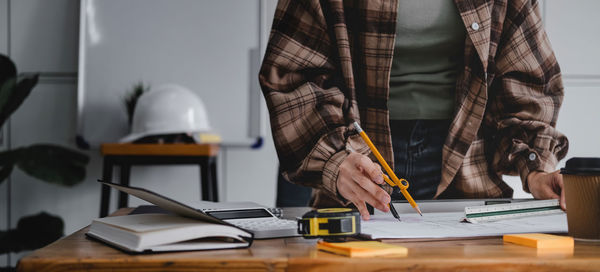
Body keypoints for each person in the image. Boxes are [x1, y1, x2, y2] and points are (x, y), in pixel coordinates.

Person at [259, 0, 568, 220]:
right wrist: (335, 160)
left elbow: (526, 84)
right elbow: (294, 75)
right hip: (359, 160)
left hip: (469, 169)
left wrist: (537, 168)